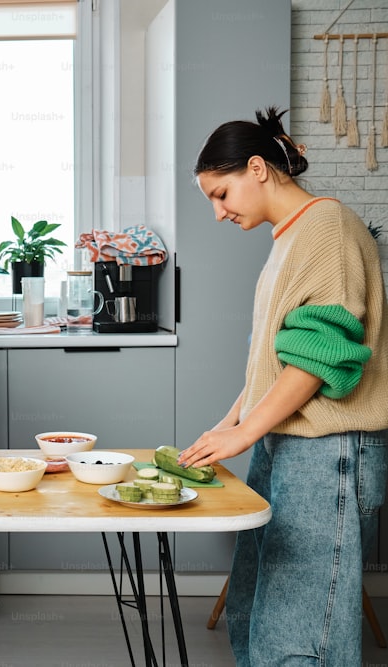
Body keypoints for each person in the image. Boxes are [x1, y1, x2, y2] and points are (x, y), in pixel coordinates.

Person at [179, 107, 388, 666]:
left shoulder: (328, 228)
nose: (219, 213)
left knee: (299, 631)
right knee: (257, 610)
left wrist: (245, 432)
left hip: (328, 451)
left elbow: (321, 359)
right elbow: (276, 361)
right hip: (291, 443)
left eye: (222, 194)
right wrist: (229, 425)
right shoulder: (289, 236)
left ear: (257, 168)